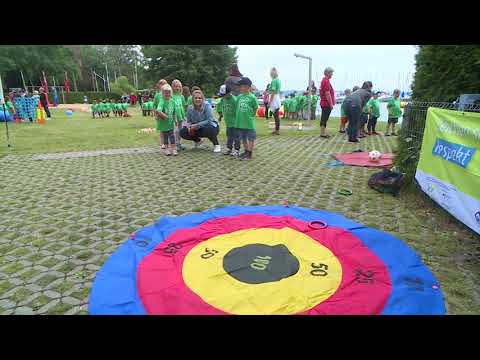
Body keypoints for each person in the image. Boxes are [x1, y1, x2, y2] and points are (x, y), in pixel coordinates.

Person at [234, 77, 258, 160]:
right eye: (240, 86)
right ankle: (246, 151)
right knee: (243, 138)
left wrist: (251, 115)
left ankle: (250, 154)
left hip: (249, 122)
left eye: (242, 86)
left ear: (247, 87)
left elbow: (255, 108)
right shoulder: (239, 97)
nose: (240, 88)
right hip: (240, 122)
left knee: (251, 138)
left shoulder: (252, 97)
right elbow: (237, 107)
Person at [156, 84, 179, 156]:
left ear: (171, 93)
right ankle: (166, 149)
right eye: (165, 92)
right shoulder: (162, 101)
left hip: (170, 123)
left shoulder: (172, 101)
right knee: (165, 137)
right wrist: (164, 115)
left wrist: (175, 120)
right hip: (164, 123)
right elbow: (158, 110)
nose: (167, 94)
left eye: (168, 92)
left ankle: (174, 149)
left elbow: (174, 112)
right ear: (162, 93)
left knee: (172, 136)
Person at [217, 85, 240, 156]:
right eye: (222, 95)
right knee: (229, 136)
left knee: (236, 137)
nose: (223, 96)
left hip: (236, 123)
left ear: (229, 93)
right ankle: (229, 149)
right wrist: (220, 115)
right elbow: (219, 106)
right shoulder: (223, 99)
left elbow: (239, 111)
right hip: (228, 122)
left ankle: (237, 150)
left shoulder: (235, 100)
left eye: (224, 95)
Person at [319, 67, 335, 138]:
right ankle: (322, 133)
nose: (332, 74)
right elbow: (327, 93)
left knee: (324, 118)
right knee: (324, 118)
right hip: (326, 103)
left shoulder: (325, 80)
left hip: (325, 102)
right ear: (327, 73)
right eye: (331, 73)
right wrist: (331, 104)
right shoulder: (326, 81)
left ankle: (323, 132)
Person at [171, 79, 187, 151]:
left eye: (179, 86)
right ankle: (175, 145)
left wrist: (184, 116)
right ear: (172, 87)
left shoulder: (181, 96)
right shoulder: (171, 96)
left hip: (181, 117)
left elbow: (183, 107)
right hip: (174, 117)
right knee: (175, 131)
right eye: (175, 86)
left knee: (180, 131)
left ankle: (179, 144)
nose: (177, 88)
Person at [269, 67, 281, 135]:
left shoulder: (274, 81)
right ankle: (277, 129)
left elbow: (273, 92)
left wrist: (270, 102)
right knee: (276, 115)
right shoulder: (278, 80)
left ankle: (277, 130)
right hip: (277, 97)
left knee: (276, 116)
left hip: (274, 98)